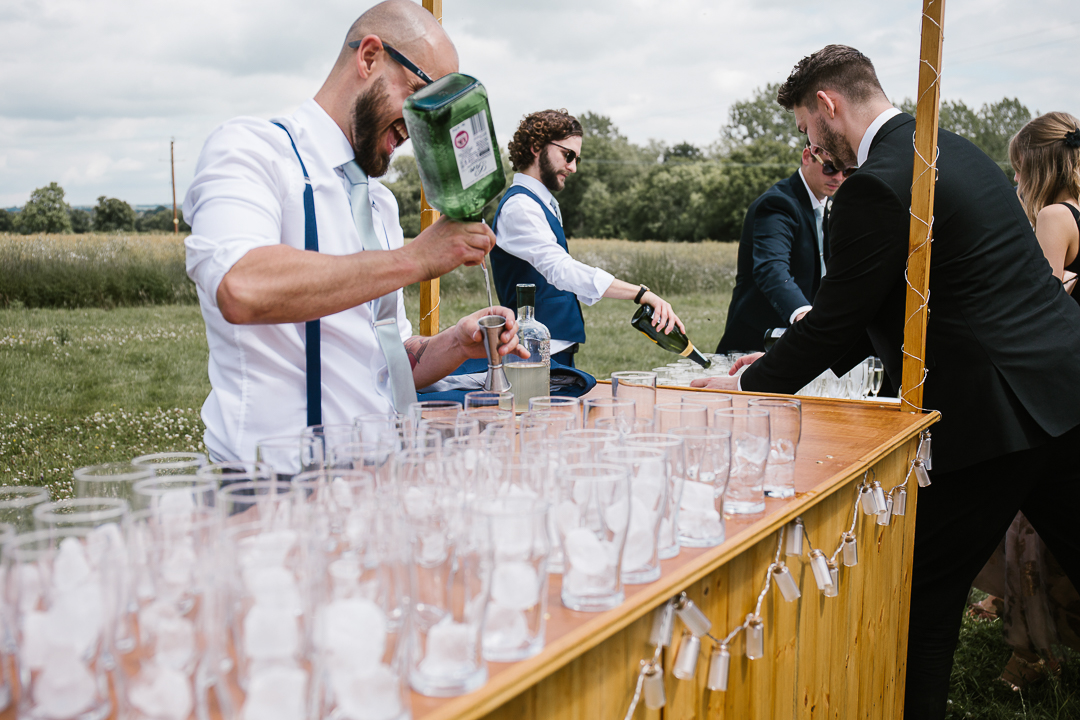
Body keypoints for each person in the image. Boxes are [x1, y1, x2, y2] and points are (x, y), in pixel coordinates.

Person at [692, 45, 1080, 719]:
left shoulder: (877, 183)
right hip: (1063, 387)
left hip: (993, 415)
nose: (811, 145)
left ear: (828, 106)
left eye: (805, 129)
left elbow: (839, 319)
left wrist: (749, 387)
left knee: (921, 598)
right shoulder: (951, 149)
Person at [183, 0, 522, 464]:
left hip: (378, 484)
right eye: (423, 96)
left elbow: (386, 358)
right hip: (276, 489)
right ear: (369, 57)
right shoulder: (251, 151)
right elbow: (242, 286)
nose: (425, 128)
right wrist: (416, 258)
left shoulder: (378, 202)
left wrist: (456, 344)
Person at [490, 109, 683, 367]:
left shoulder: (543, 203)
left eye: (576, 159)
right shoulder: (521, 206)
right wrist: (640, 293)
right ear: (537, 147)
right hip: (533, 351)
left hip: (552, 346)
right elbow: (561, 270)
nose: (573, 167)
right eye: (568, 155)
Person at [716, 142, 848, 353]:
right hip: (757, 345)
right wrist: (803, 314)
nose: (839, 177)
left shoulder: (829, 207)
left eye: (847, 170)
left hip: (801, 347)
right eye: (830, 167)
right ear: (807, 156)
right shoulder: (778, 203)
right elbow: (771, 268)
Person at [1010, 111, 1080, 302]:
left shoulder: (1054, 215)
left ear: (1039, 170)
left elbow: (1041, 302)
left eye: (1019, 168)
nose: (1016, 178)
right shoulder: (1074, 212)